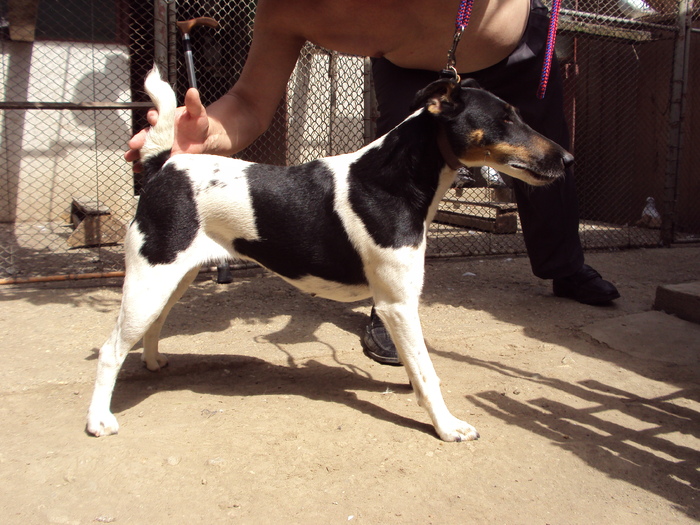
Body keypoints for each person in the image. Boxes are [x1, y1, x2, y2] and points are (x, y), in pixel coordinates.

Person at [126, 0, 620, 366]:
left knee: (549, 160)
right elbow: (251, 103)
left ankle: (565, 267)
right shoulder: (282, 7)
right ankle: (386, 305)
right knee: (390, 185)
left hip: (516, 51)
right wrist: (210, 130)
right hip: (412, 71)